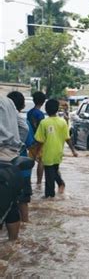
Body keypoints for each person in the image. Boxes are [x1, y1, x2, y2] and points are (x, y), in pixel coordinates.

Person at [35, 99, 78, 198]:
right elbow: (67, 138)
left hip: (47, 153)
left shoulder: (44, 123)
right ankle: (61, 183)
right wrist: (73, 151)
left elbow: (39, 141)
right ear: (57, 109)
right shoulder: (62, 122)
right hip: (58, 153)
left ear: (46, 109)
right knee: (54, 170)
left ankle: (49, 197)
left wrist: (37, 153)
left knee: (49, 177)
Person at [7, 91, 35, 223]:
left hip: (6, 169)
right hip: (22, 171)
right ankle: (24, 226)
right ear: (23, 106)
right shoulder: (25, 123)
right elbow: (31, 145)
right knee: (23, 201)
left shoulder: (4, 123)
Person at [0, 95, 24, 241]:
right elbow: (23, 126)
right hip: (12, 159)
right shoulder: (8, 101)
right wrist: (15, 147)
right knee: (11, 205)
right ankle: (13, 245)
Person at [27, 91, 46, 184]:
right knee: (41, 161)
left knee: (30, 161)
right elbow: (41, 129)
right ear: (43, 102)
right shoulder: (41, 114)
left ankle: (28, 180)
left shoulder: (29, 112)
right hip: (39, 140)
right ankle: (39, 182)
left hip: (30, 140)